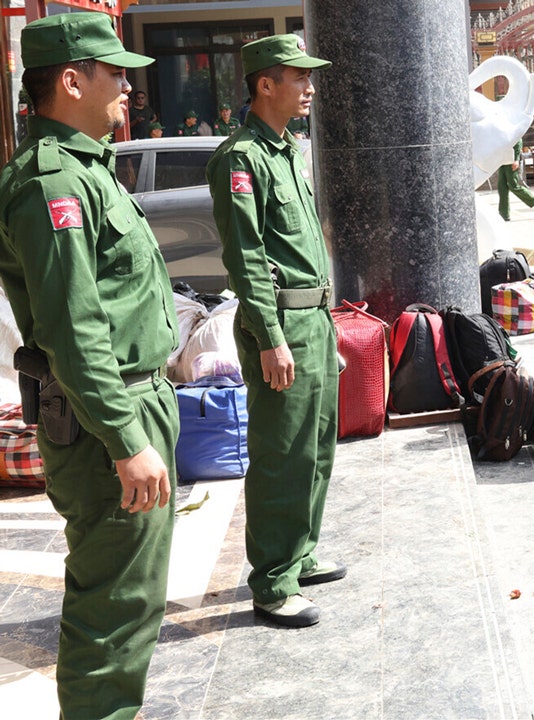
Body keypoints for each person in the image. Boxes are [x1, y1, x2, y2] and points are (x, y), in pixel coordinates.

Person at [0, 14, 178, 717]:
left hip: (127, 405)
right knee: (114, 609)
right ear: (71, 80)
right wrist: (127, 439)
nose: (127, 86)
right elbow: (74, 331)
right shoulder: (52, 186)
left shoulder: (84, 172)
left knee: (130, 599)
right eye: (114, 72)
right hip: (107, 418)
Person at [206, 34, 343, 628]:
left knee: (316, 447)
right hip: (281, 322)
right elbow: (247, 258)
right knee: (281, 454)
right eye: (299, 77)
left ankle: (299, 554)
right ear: (265, 83)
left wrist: (327, 324)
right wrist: (271, 338)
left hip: (313, 317)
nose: (310, 87)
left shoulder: (289, 151)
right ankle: (272, 582)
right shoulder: (241, 159)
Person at [497, 139, 534, 222]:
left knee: (513, 186)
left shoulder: (512, 127)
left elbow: (518, 139)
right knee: (502, 187)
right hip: (502, 161)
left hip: (511, 162)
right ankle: (503, 214)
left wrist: (516, 159)